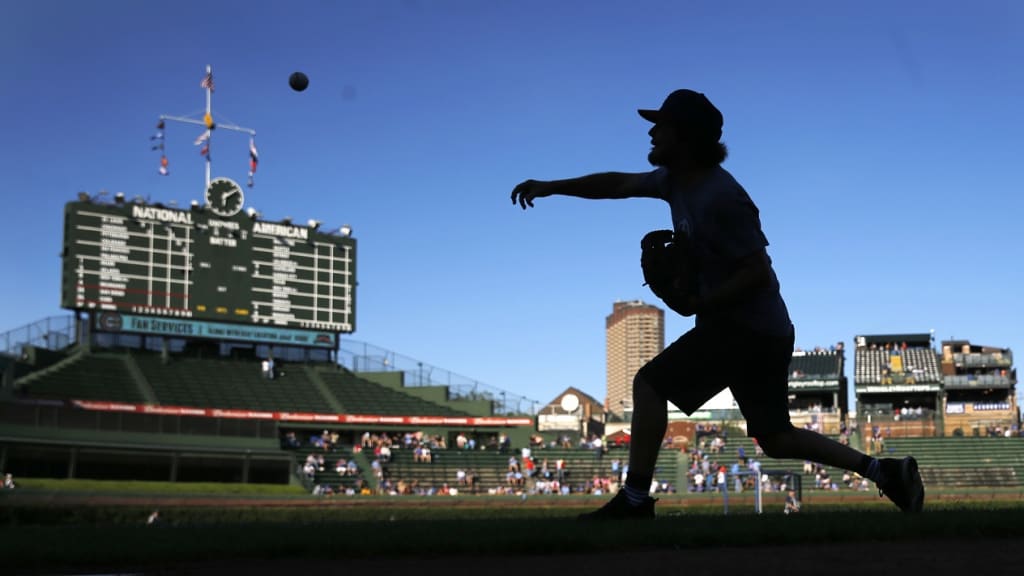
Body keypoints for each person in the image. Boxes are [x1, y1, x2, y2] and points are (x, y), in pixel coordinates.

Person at [511, 88, 924, 520]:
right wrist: (552, 187)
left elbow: (758, 271)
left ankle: (633, 501)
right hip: (764, 329)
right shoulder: (675, 181)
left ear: (686, 136)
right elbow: (618, 184)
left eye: (662, 125)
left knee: (649, 385)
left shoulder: (721, 196)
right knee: (776, 438)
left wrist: (703, 300)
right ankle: (884, 470)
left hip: (742, 326)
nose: (652, 132)